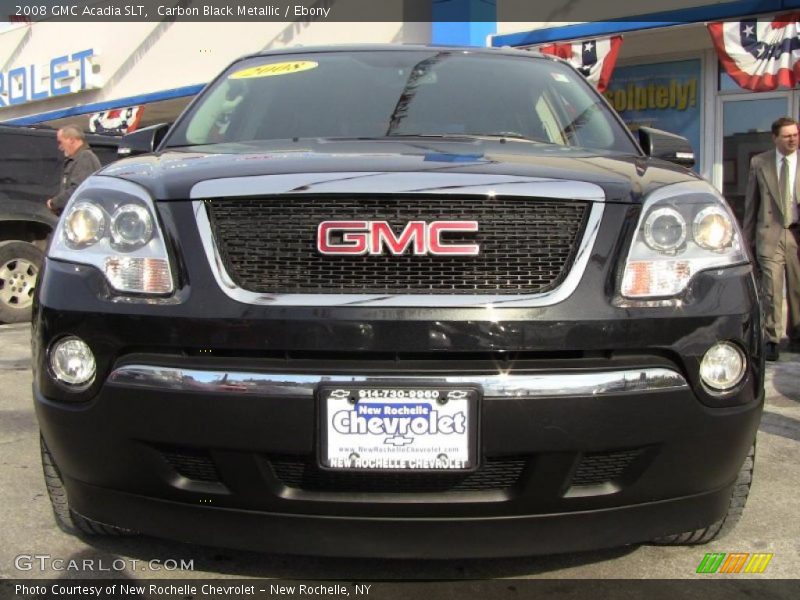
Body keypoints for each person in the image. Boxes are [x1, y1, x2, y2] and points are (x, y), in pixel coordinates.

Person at [744, 116, 800, 361]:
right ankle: (772, 339)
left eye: (795, 134)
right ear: (775, 138)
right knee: (772, 289)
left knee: (797, 288)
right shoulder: (760, 163)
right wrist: (747, 243)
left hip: (796, 233)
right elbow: (751, 206)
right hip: (770, 233)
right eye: (787, 135)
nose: (792, 139)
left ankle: (796, 335)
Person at [46, 125, 101, 216]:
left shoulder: (85, 157)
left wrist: (54, 203)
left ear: (71, 140)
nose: (60, 147)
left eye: (60, 142)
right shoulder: (76, 159)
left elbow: (78, 189)